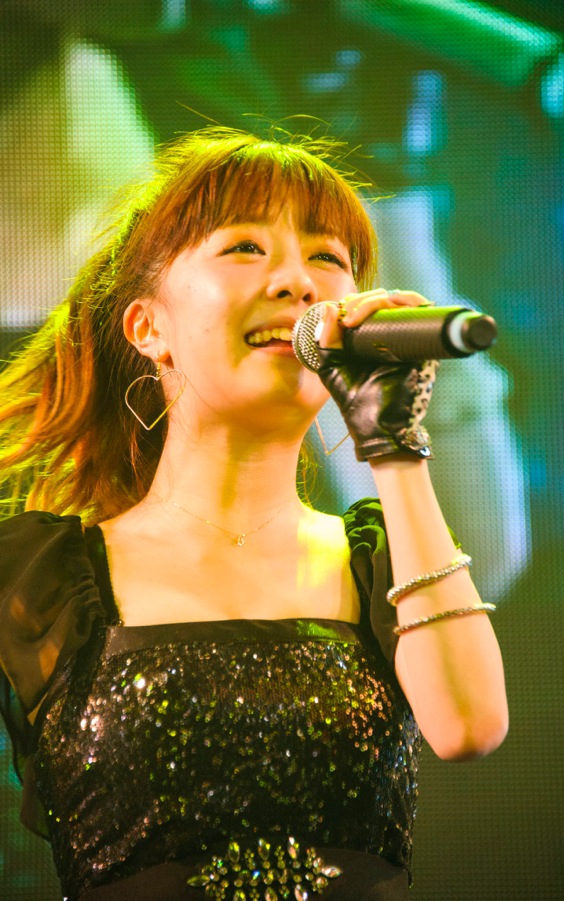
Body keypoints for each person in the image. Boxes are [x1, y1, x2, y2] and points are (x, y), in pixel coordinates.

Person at [0, 127, 508, 901]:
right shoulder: (37, 577)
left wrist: (393, 444)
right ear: (148, 327)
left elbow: (470, 725)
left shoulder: (383, 560)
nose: (297, 281)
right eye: (244, 247)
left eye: (327, 257)